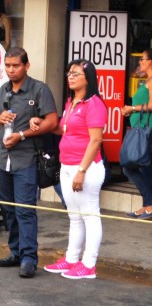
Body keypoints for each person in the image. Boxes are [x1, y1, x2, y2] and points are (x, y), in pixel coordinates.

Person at [0, 47, 58, 278]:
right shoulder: (3, 89)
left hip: (26, 159)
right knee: (8, 209)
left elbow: (52, 121)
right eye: (7, 66)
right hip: (2, 160)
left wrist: (22, 134)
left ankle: (29, 258)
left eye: (15, 65)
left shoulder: (39, 89)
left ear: (26, 66)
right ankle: (15, 252)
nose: (10, 70)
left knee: (25, 210)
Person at [41, 60, 107, 279]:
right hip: (68, 165)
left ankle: (89, 265)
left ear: (87, 78)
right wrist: (40, 123)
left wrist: (81, 171)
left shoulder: (94, 104)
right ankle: (71, 259)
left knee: (89, 215)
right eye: (69, 73)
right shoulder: (72, 102)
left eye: (76, 74)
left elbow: (95, 140)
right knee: (75, 216)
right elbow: (65, 130)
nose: (70, 76)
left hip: (85, 168)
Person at [122, 50, 152, 219]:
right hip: (139, 128)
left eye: (143, 59)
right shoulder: (146, 81)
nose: (140, 62)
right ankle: (147, 204)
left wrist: (131, 108)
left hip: (146, 130)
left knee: (133, 166)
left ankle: (149, 204)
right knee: (138, 166)